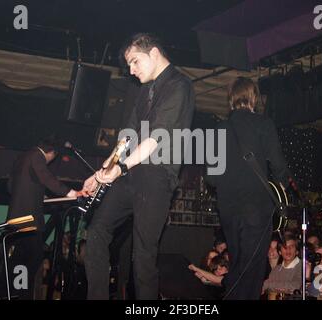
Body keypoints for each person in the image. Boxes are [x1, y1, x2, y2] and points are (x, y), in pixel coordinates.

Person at [82, 33, 195, 300]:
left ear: (153, 53)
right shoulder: (145, 89)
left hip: (156, 177)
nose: (131, 71)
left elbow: (157, 138)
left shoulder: (179, 85)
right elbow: (128, 136)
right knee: (97, 230)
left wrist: (119, 169)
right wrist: (101, 173)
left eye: (134, 62)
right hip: (132, 173)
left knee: (143, 253)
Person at [206, 77, 291, 300]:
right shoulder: (264, 124)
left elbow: (211, 178)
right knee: (252, 270)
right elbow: (280, 167)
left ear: (231, 99)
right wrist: (279, 187)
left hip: (228, 210)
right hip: (256, 207)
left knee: (238, 263)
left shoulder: (218, 129)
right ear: (254, 97)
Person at [6, 136, 79, 299]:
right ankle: (19, 292)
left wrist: (40, 196)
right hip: (27, 219)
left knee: (21, 257)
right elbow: (47, 178)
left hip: (16, 218)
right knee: (33, 257)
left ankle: (7, 291)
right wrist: (71, 192)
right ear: (51, 153)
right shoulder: (37, 156)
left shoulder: (22, 157)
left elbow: (12, 187)